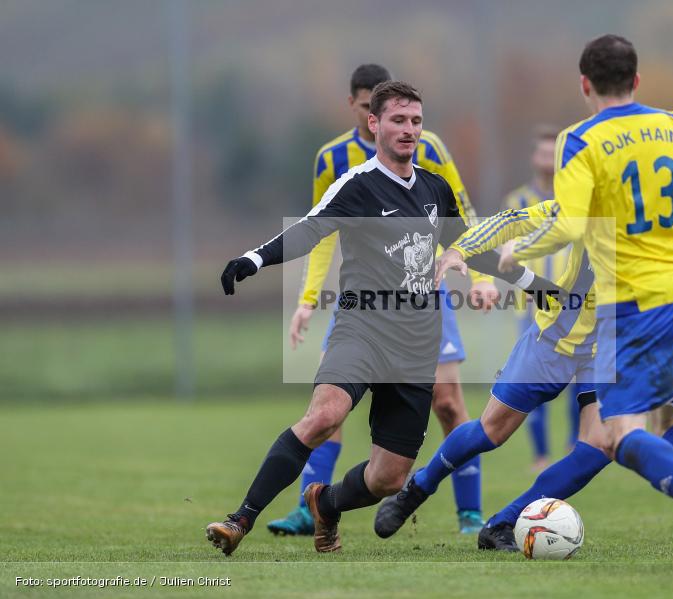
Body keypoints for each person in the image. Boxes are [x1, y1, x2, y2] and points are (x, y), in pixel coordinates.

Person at [380, 34, 673, 572]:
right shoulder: (644, 156)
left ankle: (507, 521)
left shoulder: (600, 171)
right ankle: (417, 489)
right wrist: (463, 250)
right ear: (637, 81)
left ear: (585, 85)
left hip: (617, 329)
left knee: (603, 444)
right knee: (494, 429)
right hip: (559, 334)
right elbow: (514, 221)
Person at [205, 81, 559, 556]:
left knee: (389, 478)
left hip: (415, 344)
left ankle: (326, 504)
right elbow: (309, 232)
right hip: (362, 329)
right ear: (374, 123)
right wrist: (251, 260)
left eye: (415, 121)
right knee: (324, 417)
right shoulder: (357, 185)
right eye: (398, 120)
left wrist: (542, 288)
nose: (409, 130)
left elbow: (478, 250)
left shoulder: (436, 189)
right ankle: (239, 520)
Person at [268, 64, 498, 538]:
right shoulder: (333, 159)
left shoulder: (427, 147)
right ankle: (310, 504)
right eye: (371, 105)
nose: (404, 127)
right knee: (330, 405)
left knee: (449, 400)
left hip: (423, 295)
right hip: (363, 301)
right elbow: (320, 233)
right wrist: (309, 298)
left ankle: (469, 513)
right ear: (359, 109)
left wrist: (477, 273)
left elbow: (462, 209)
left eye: (409, 118)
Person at [475, 208, 673, 559]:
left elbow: (548, 226)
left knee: (614, 438)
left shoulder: (613, 210)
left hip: (638, 329)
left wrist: (513, 254)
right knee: (660, 426)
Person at [501, 125, 578, 472]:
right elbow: (505, 247)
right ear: (534, 157)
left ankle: (575, 446)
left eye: (554, 153)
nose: (548, 160)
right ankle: (540, 455)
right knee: (533, 381)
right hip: (532, 306)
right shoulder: (517, 202)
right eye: (543, 153)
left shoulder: (575, 198)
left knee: (580, 381)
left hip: (574, 305)